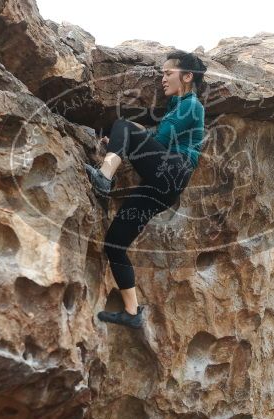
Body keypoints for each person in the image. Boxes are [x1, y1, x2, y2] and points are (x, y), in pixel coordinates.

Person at [85, 50, 206, 328]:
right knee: (115, 244)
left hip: (173, 170)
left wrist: (125, 135)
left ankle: (104, 175)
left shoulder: (192, 105)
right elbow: (153, 140)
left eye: (168, 73)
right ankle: (132, 312)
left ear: (187, 77)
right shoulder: (178, 107)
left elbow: (160, 140)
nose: (163, 79)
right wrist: (120, 141)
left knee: (123, 125)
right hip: (161, 187)